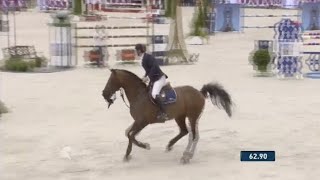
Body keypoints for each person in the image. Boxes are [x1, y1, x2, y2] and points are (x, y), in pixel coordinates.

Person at [135, 43, 169, 122]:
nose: (136, 52)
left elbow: (155, 67)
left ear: (139, 50)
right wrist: (144, 76)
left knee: (154, 94)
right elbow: (148, 70)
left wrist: (148, 77)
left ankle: (164, 113)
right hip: (154, 79)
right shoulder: (143, 59)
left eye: (136, 50)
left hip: (160, 78)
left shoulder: (148, 57)